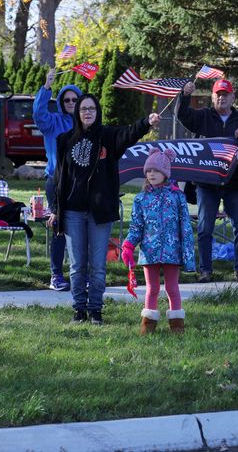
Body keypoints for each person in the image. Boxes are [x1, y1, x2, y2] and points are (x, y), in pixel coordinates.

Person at [53, 94, 160, 325]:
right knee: (77, 265)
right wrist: (55, 209)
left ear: (97, 111)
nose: (88, 113)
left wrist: (146, 122)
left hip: (99, 212)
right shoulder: (64, 140)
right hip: (72, 211)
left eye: (92, 108)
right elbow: (59, 177)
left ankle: (96, 311)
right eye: (83, 109)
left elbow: (129, 133)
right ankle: (79, 310)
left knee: (98, 266)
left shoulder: (108, 137)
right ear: (77, 113)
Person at [178, 78, 238, 283]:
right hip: (207, 183)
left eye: (225, 94)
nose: (222, 98)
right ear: (212, 97)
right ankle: (205, 270)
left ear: (232, 97)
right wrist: (185, 95)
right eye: (218, 94)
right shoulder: (203, 116)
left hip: (235, 184)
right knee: (205, 228)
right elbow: (182, 115)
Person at [121, 148, 195, 334]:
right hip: (150, 251)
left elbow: (185, 227)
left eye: (156, 170)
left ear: (165, 173)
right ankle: (148, 326)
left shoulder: (177, 197)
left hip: (172, 250)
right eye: (149, 171)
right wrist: (129, 245)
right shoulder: (141, 199)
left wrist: (188, 255)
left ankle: (177, 327)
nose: (151, 174)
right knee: (152, 289)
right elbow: (136, 227)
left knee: (172, 287)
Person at [33, 68, 79, 291]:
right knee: (59, 227)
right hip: (57, 181)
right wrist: (46, 87)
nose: (71, 102)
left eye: (74, 99)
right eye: (66, 99)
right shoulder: (53, 123)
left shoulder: (86, 123)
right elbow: (38, 114)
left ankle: (80, 273)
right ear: (61, 102)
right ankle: (56, 275)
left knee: (81, 227)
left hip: (81, 183)